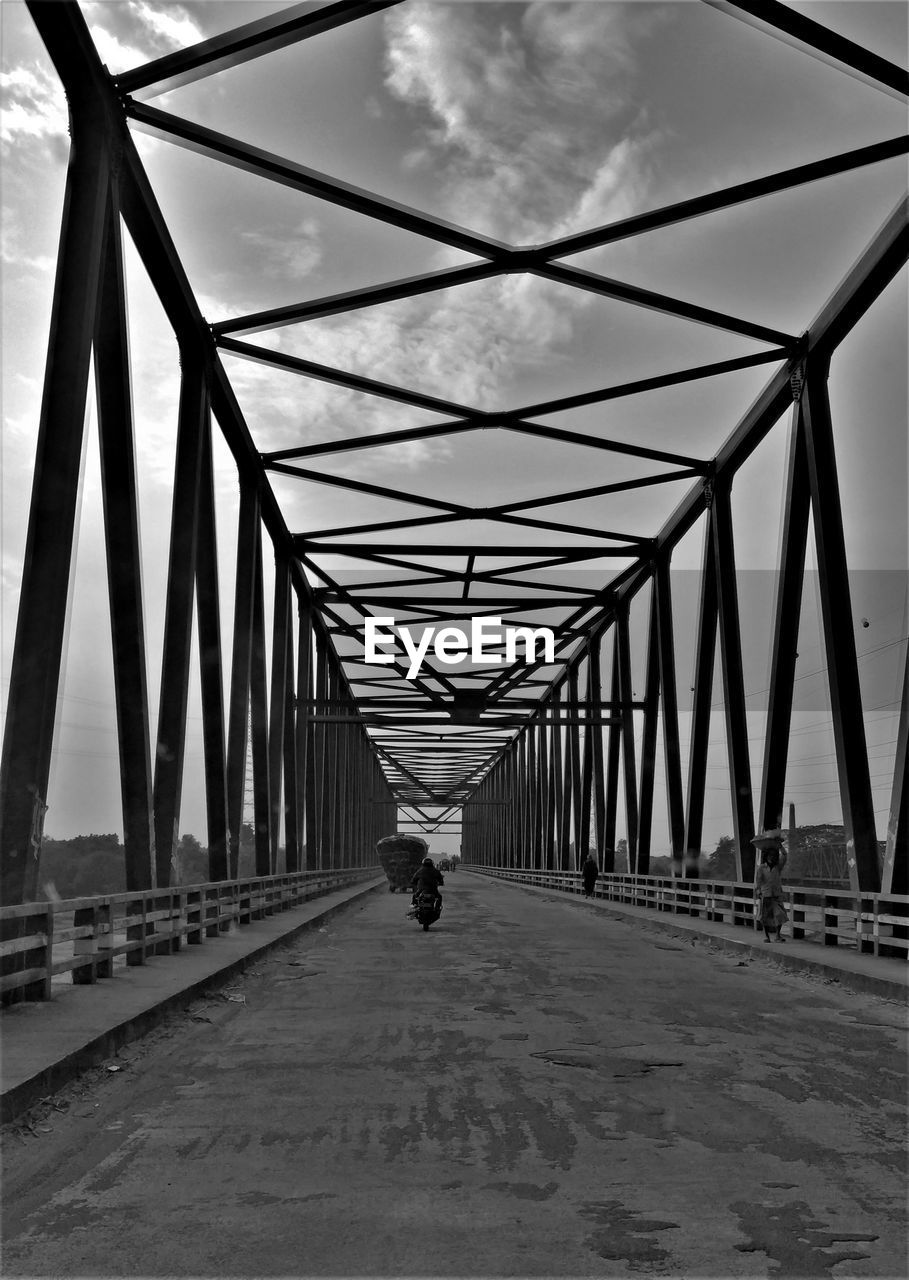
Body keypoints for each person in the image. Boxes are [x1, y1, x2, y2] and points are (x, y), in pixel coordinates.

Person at [753, 832, 789, 942]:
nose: (772, 858)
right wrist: (758, 892)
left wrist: (779, 845)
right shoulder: (761, 868)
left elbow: (785, 855)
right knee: (765, 917)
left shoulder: (778, 867)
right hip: (766, 894)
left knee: (780, 915)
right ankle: (767, 936)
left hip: (777, 894)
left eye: (774, 856)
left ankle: (778, 936)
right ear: (767, 856)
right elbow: (758, 882)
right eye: (770, 856)